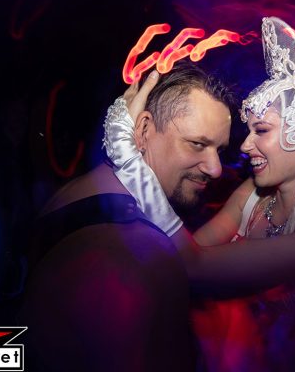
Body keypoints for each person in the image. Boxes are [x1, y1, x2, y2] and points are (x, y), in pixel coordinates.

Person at [104, 16, 295, 370]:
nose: (245, 145)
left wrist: (128, 158)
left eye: (262, 130)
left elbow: (194, 268)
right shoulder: (252, 195)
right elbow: (181, 260)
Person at [19, 63, 235, 371]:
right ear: (143, 130)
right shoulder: (139, 253)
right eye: (197, 144)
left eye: (220, 150)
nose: (215, 169)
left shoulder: (78, 192)